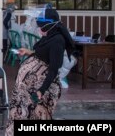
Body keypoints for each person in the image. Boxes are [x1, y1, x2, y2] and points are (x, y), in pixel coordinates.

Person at [5, 7, 74, 136]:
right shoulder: (49, 35)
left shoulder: (58, 41)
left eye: (42, 27)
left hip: (40, 87)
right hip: (27, 88)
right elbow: (42, 53)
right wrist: (28, 52)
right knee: (20, 114)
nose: (40, 30)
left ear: (50, 25)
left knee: (34, 116)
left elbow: (53, 69)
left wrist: (41, 90)